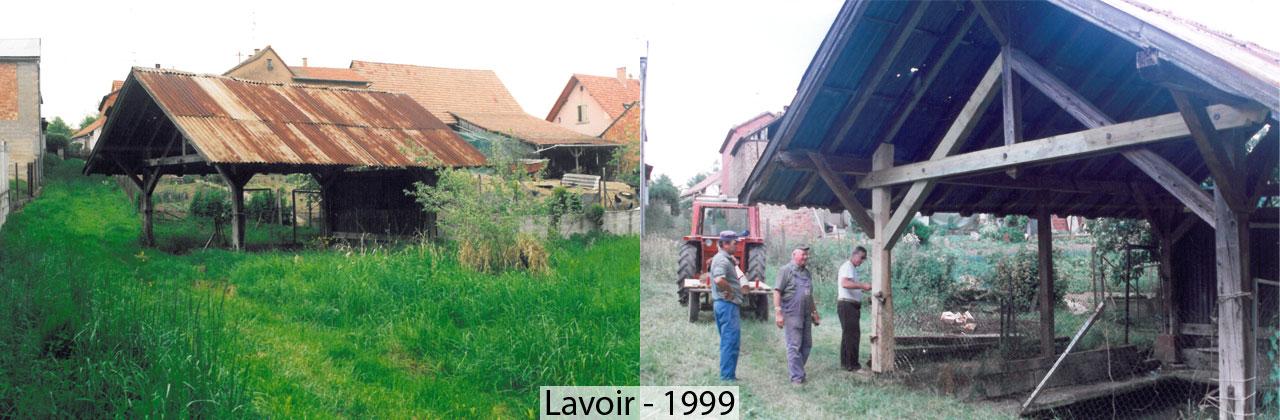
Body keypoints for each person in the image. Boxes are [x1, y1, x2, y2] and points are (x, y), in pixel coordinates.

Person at [710, 230, 751, 381]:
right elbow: (719, 280)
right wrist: (731, 291)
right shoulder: (721, 260)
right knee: (730, 341)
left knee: (728, 340)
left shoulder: (724, 258)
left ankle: (728, 374)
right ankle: (727, 377)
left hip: (723, 305)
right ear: (725, 244)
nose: (737, 246)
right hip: (727, 305)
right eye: (735, 243)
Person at [773, 245, 818, 384]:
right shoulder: (786, 270)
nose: (806, 257)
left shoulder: (807, 273)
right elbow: (777, 291)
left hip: (805, 314)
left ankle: (797, 370)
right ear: (794, 254)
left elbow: (809, 295)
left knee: (807, 345)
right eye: (803, 254)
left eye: (807, 255)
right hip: (792, 313)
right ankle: (797, 378)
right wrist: (778, 312)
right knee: (794, 345)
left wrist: (814, 312)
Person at [837, 246, 872, 371]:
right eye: (861, 257)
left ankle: (846, 364)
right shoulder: (847, 266)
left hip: (849, 305)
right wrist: (863, 285)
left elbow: (851, 285)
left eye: (864, 259)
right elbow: (845, 283)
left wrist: (863, 292)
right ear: (854, 254)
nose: (862, 261)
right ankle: (853, 366)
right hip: (847, 305)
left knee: (848, 335)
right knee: (852, 335)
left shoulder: (851, 268)